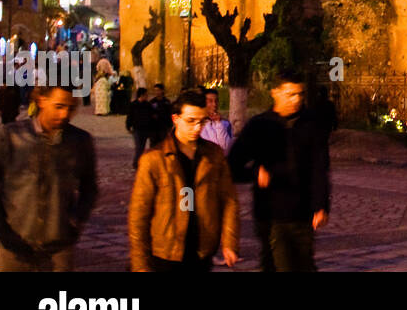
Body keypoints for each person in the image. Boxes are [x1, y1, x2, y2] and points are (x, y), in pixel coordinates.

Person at [0, 86, 98, 271]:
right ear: (41, 100)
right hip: (12, 245)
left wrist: (75, 219)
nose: (64, 114)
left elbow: (90, 187)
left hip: (58, 246)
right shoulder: (10, 136)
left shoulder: (79, 141)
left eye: (70, 108)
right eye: (59, 106)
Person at [229, 71, 330, 272]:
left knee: (303, 264)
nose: (296, 99)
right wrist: (255, 174)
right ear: (275, 92)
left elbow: (320, 168)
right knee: (276, 264)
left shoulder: (311, 124)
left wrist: (321, 205)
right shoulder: (260, 125)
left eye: (300, 94)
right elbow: (232, 166)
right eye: (290, 94)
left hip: (302, 213)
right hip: (270, 213)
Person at [129, 91, 240, 272]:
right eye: (191, 121)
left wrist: (229, 242)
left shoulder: (213, 155)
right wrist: (140, 264)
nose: (197, 127)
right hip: (166, 253)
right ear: (176, 118)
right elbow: (138, 216)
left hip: (201, 250)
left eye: (202, 121)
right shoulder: (154, 160)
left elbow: (229, 199)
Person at [127, 87, 156, 165]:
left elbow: (152, 116)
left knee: (142, 147)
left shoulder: (148, 105)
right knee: (138, 147)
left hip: (145, 129)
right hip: (137, 129)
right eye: (146, 95)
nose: (147, 96)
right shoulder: (134, 104)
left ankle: (139, 162)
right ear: (142, 95)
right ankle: (136, 163)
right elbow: (130, 116)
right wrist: (128, 126)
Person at [200, 89, 234, 154]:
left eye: (216, 101)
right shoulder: (198, 125)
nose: (214, 104)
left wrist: (219, 123)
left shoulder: (225, 124)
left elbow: (226, 147)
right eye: (210, 101)